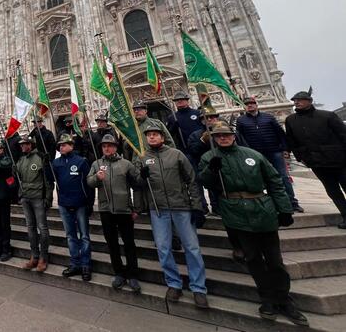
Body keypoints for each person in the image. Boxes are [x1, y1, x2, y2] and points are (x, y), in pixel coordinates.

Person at [198, 123, 308, 326]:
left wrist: (284, 209)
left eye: (226, 135)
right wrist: (211, 170)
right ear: (214, 138)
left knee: (275, 260)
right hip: (236, 212)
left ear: (234, 136)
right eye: (219, 136)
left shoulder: (253, 155)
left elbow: (274, 180)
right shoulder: (209, 157)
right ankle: (266, 298)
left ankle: (284, 299)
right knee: (253, 258)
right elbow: (204, 181)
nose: (223, 138)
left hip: (262, 210)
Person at [137, 126, 209, 308]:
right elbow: (138, 184)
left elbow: (191, 180)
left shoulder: (176, 154)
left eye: (155, 134)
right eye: (149, 135)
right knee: (163, 248)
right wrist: (141, 177)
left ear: (162, 136)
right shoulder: (143, 158)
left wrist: (197, 206)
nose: (151, 137)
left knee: (192, 247)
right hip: (158, 209)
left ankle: (198, 288)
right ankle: (174, 283)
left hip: (181, 207)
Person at [87, 134, 142, 292]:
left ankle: (133, 275)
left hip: (124, 210)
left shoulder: (126, 164)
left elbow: (137, 184)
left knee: (129, 244)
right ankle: (119, 273)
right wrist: (97, 178)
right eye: (104, 146)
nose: (107, 148)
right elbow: (89, 182)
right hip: (106, 210)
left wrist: (136, 208)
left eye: (109, 145)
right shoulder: (97, 164)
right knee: (112, 244)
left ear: (115, 147)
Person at [285, 90, 346, 229]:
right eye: (295, 100)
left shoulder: (327, 116)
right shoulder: (291, 120)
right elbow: (291, 140)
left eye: (300, 100)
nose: (296, 102)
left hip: (339, 160)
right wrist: (300, 157)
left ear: (309, 101)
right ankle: (345, 215)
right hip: (316, 162)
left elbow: (343, 134)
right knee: (333, 191)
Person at [236, 96, 304, 213]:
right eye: (247, 104)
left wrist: (285, 149)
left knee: (282, 177)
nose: (250, 105)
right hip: (255, 154)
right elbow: (240, 137)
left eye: (252, 103)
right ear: (244, 107)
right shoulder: (241, 120)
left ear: (256, 105)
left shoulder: (268, 117)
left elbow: (280, 133)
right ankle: (273, 202)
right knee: (262, 178)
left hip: (274, 151)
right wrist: (246, 151)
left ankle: (292, 202)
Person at [52, 134, 93, 281]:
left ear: (71, 145)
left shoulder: (81, 161)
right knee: (70, 236)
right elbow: (52, 180)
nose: (62, 147)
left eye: (64, 144)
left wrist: (89, 203)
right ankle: (75, 263)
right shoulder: (56, 163)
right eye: (60, 145)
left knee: (84, 236)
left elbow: (89, 184)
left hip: (80, 203)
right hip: (64, 203)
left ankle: (86, 264)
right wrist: (45, 166)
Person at [15, 136, 53, 272]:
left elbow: (48, 181)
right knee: (30, 227)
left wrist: (48, 198)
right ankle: (34, 256)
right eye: (21, 145)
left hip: (38, 197)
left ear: (31, 144)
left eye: (25, 144)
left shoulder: (40, 158)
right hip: (25, 197)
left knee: (42, 228)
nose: (23, 147)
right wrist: (19, 194)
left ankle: (43, 257)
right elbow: (18, 179)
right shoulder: (21, 159)